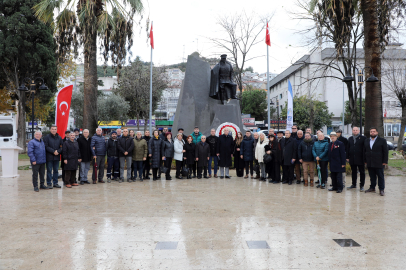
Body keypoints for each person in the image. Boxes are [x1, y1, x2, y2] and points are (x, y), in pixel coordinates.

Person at [364, 127, 388, 196]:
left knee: (380, 176)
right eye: (371, 131)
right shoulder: (366, 140)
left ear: (377, 132)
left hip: (379, 162)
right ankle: (372, 187)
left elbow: (385, 151)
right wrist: (365, 160)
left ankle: (381, 189)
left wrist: (385, 161)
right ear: (370, 133)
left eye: (374, 131)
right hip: (370, 161)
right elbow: (364, 151)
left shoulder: (382, 140)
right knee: (372, 176)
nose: (372, 133)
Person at [346, 127, 366, 191]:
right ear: (352, 131)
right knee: (353, 172)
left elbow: (365, 148)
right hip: (352, 158)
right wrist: (347, 157)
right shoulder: (350, 138)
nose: (355, 131)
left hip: (360, 158)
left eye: (356, 130)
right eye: (354, 130)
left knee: (362, 172)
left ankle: (362, 185)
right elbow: (348, 148)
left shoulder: (363, 138)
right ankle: (354, 184)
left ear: (359, 131)